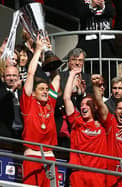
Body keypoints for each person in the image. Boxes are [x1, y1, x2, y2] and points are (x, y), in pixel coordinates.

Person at [20, 36, 60, 187]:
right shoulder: (28, 103)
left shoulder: (50, 102)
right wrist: (37, 50)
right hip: (32, 156)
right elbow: (30, 75)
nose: (45, 92)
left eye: (46, 89)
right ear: (34, 93)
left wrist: (49, 54)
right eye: (41, 89)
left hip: (49, 156)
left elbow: (56, 80)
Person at [63, 67, 107, 187]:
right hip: (78, 172)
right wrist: (72, 75)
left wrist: (96, 85)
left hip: (98, 174)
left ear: (95, 107)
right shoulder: (77, 121)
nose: (83, 107)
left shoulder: (103, 124)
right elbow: (67, 99)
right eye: (82, 104)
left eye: (88, 104)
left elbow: (102, 106)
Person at [55, 48, 92, 147]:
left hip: (80, 126)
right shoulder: (60, 76)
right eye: (74, 60)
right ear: (68, 61)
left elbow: (90, 104)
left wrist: (82, 93)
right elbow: (55, 99)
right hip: (61, 124)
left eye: (80, 60)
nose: (77, 63)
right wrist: (70, 90)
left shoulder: (88, 78)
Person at [0, 66, 23, 138]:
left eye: (14, 75)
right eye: (8, 76)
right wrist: (13, 89)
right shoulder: (1, 91)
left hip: (22, 134)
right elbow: (3, 102)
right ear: (3, 78)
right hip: (5, 134)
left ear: (19, 77)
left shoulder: (23, 92)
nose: (11, 78)